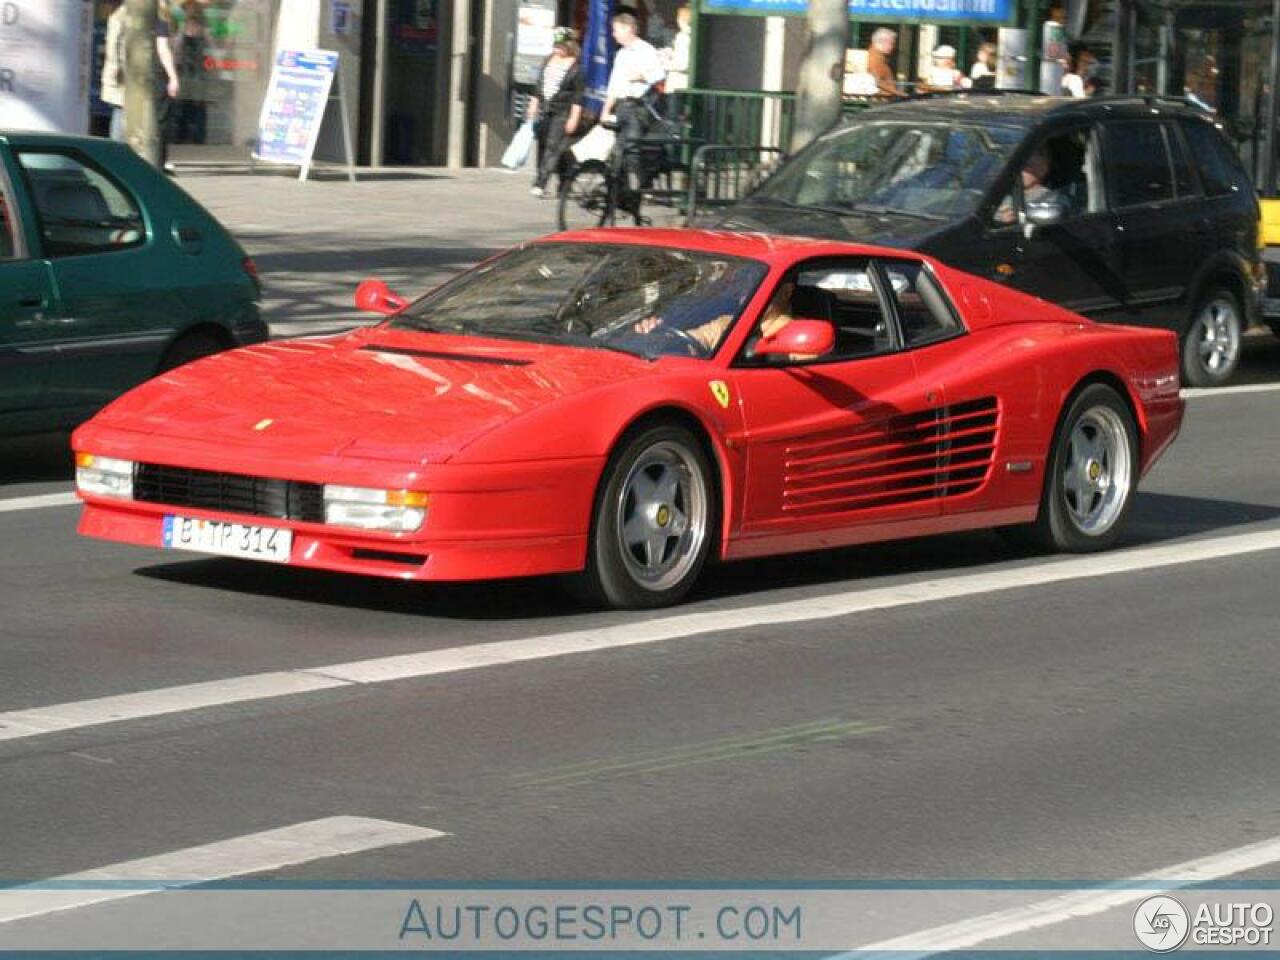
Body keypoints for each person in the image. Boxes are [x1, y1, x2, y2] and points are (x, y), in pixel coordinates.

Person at [101, 0, 181, 159]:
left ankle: (116, 156)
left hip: (122, 74)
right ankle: (127, 156)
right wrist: (173, 76)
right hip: (135, 75)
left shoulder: (119, 14)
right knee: (136, 115)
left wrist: (114, 68)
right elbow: (163, 47)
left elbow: (112, 44)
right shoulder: (156, 15)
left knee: (120, 112)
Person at [602, 10, 666, 205]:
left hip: (638, 106)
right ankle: (621, 194)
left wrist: (642, 76)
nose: (614, 34)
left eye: (616, 30)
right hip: (622, 105)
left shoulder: (645, 50)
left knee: (632, 149)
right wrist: (606, 108)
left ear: (628, 29)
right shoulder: (620, 54)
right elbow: (614, 84)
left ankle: (642, 188)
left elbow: (659, 74)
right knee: (618, 152)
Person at [527, 28, 585, 197]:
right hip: (547, 109)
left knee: (552, 146)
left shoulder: (576, 68)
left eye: (560, 45)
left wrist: (574, 117)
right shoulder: (548, 61)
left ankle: (540, 183)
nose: (556, 49)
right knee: (548, 145)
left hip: (563, 111)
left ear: (569, 45)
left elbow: (578, 96)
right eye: (555, 45)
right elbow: (539, 85)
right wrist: (534, 103)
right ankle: (565, 183)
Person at [996, 144, 1062, 224]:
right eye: (1019, 168)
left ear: (1044, 169)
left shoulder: (1050, 197)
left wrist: (1012, 220)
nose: (1021, 173)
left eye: (1029, 167)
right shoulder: (999, 189)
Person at [664, 5, 691, 94]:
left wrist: (665, 63)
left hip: (679, 83)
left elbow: (681, 64)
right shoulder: (694, 35)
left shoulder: (682, 37)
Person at [866, 28, 899, 98]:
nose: (892, 47)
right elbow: (878, 82)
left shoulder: (880, 57)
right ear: (884, 41)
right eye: (891, 44)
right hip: (880, 99)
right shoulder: (874, 58)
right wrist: (898, 94)